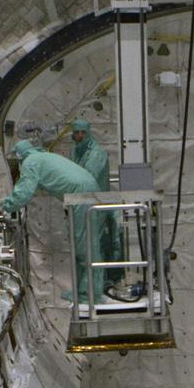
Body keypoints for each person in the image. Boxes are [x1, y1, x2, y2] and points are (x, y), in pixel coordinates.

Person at [2, 139, 103, 302]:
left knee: (84, 245)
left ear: (20, 156)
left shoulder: (30, 162)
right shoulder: (44, 156)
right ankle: (82, 291)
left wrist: (4, 206)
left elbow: (23, 193)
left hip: (80, 195)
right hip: (86, 189)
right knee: (83, 242)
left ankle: (91, 294)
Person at [70, 119, 122, 282]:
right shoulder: (75, 152)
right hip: (80, 206)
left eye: (83, 132)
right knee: (81, 246)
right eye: (76, 132)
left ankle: (96, 287)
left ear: (89, 133)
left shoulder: (97, 153)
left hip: (95, 206)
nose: (79, 136)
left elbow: (86, 176)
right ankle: (84, 286)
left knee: (92, 246)